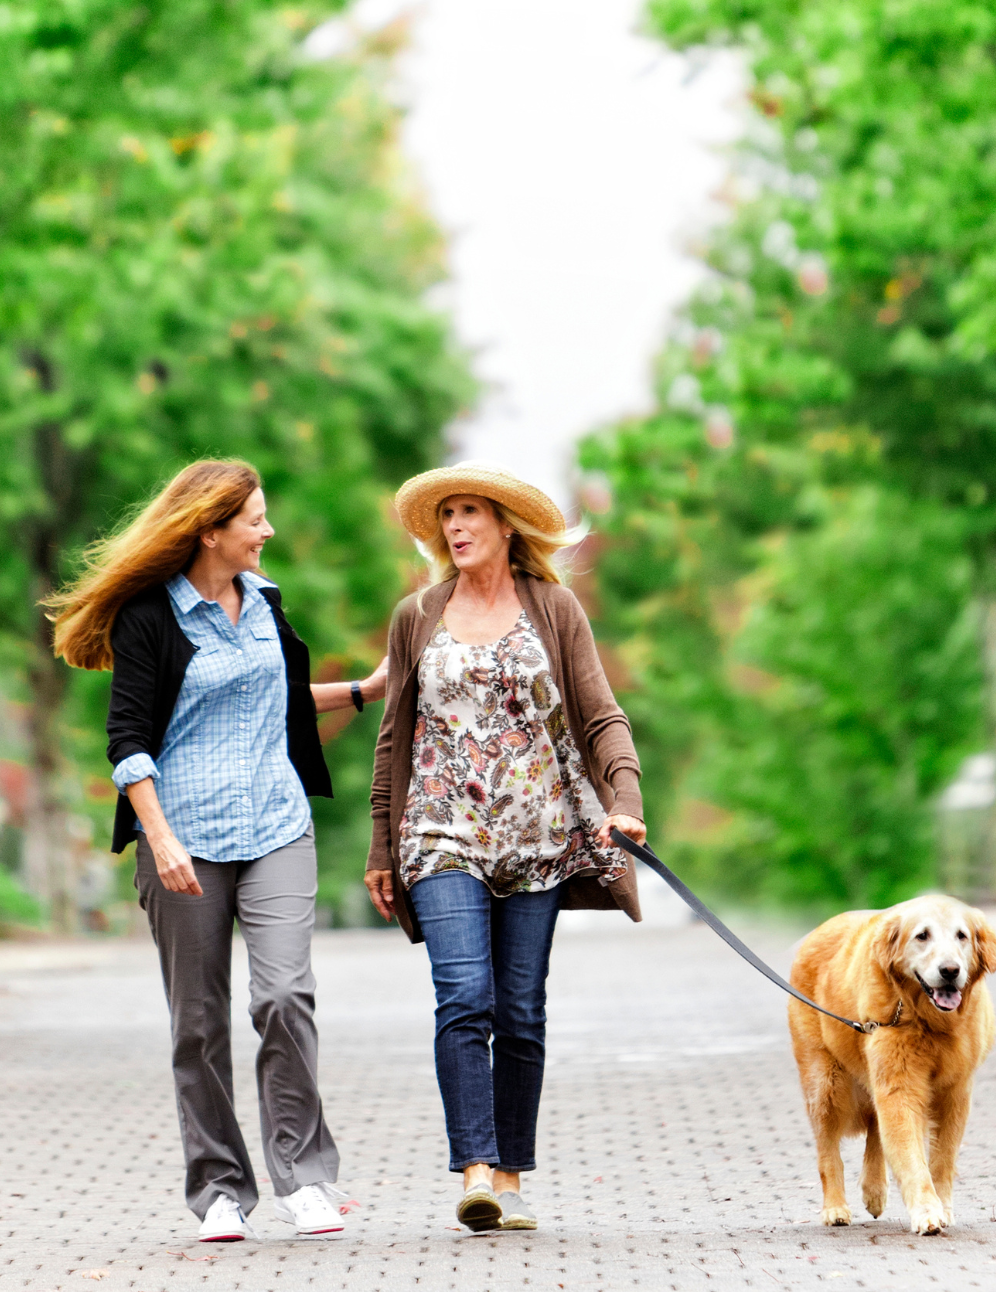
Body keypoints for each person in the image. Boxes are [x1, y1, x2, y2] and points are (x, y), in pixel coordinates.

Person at [50, 460, 387, 1243]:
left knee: (283, 996)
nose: (268, 531)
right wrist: (158, 838)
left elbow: (273, 698)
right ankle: (220, 1189)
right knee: (197, 1024)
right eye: (255, 520)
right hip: (186, 841)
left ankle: (304, 1177)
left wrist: (364, 690)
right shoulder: (149, 618)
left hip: (276, 823)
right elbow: (127, 741)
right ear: (211, 530)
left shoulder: (267, 603)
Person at [364, 461, 647, 1233]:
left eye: (469, 513)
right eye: (446, 515)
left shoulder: (553, 609)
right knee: (465, 996)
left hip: (540, 840)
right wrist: (381, 845)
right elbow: (395, 740)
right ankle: (476, 1173)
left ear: (505, 524)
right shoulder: (418, 614)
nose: (454, 527)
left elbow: (600, 715)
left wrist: (625, 799)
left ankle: (513, 1175)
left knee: (521, 1010)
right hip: (439, 832)